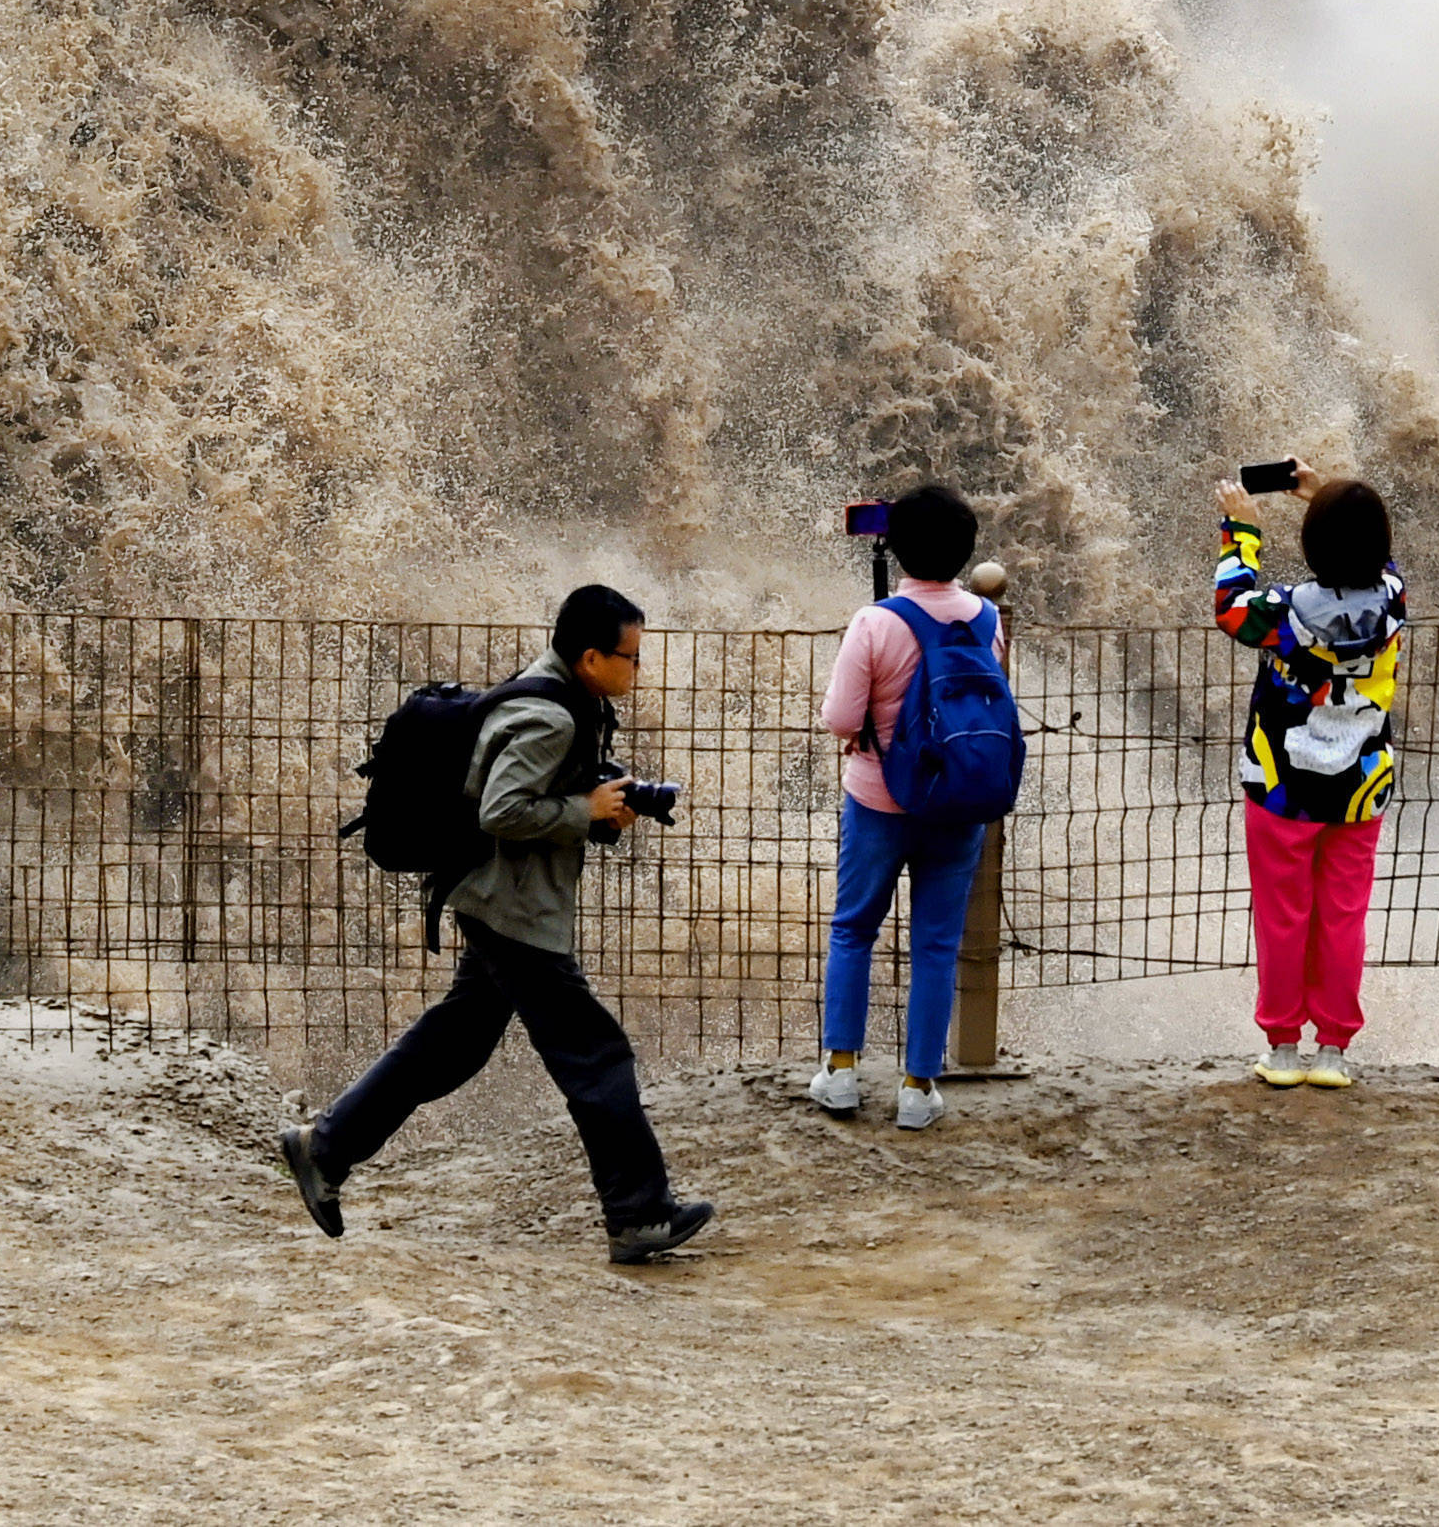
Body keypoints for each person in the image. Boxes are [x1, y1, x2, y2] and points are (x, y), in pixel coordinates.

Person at [281, 585, 718, 1264]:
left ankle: (325, 1147)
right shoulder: (553, 716)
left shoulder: (557, 691)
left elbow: (525, 793)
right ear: (592, 656)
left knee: (451, 1045)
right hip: (514, 912)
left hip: (497, 900)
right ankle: (639, 1216)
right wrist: (583, 811)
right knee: (595, 1058)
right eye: (630, 658)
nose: (638, 670)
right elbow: (502, 810)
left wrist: (598, 804)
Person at [1211, 463, 1405, 1090]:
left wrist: (1242, 531)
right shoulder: (1394, 603)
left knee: (1283, 914)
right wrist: (1324, 495)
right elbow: (1376, 560)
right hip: (1360, 788)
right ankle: (1334, 1052)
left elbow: (1230, 605)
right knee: (1342, 916)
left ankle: (1283, 1047)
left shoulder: (1282, 613)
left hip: (1281, 787)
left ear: (1312, 547)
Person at [809, 484, 997, 1132]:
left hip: (878, 801)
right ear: (965, 550)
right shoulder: (986, 619)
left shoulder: (876, 621)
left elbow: (839, 719)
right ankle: (918, 1087)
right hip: (957, 806)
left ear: (897, 548)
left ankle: (839, 1072)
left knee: (853, 929)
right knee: (936, 945)